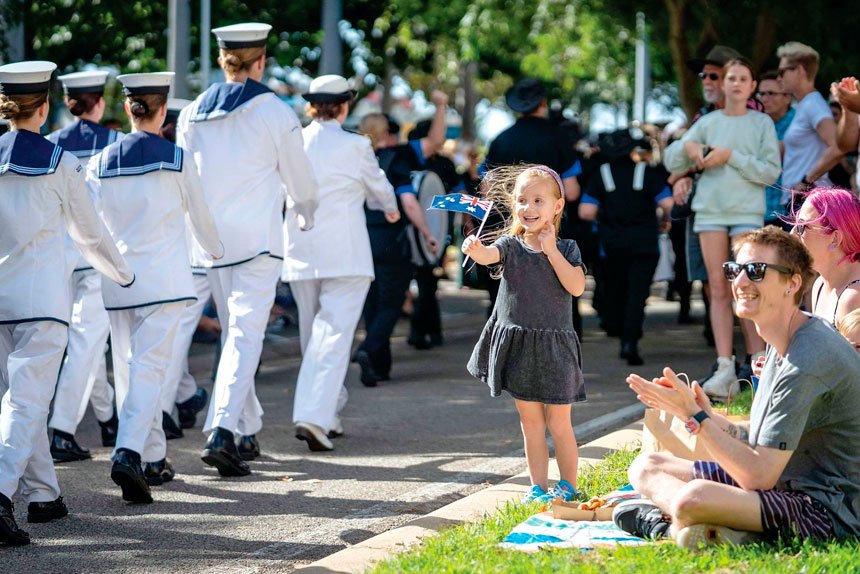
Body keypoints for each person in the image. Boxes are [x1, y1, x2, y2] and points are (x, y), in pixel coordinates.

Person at [615, 226, 860, 548]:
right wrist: (700, 414)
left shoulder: (808, 358)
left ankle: (670, 527)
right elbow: (757, 442)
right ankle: (721, 528)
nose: (741, 282)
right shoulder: (781, 342)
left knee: (694, 496)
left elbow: (757, 476)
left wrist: (698, 421)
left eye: (756, 271)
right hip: (782, 482)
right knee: (648, 465)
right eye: (734, 270)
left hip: (828, 509)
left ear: (793, 283)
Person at [0, 60, 134, 544]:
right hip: (41, 300)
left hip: (1, 298)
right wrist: (123, 273)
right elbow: (90, 234)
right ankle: (0, 494)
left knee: (20, 401)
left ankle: (44, 496)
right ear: (46, 104)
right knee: (25, 400)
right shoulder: (61, 162)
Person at [176, 23, 318, 476]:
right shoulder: (274, 110)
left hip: (211, 243)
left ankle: (246, 424)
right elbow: (300, 178)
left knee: (240, 334)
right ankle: (222, 430)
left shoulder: (193, 111)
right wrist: (305, 209)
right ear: (260, 61)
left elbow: (186, 180)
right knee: (243, 335)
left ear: (223, 59)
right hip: (257, 240)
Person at [88, 72, 222, 502]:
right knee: (149, 371)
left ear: (128, 108)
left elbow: (91, 230)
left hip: (118, 281)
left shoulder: (99, 161)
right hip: (165, 281)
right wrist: (214, 250)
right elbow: (201, 218)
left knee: (129, 371)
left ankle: (153, 457)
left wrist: (110, 268)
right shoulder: (178, 158)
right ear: (163, 111)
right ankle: (128, 452)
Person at [284, 75, 399, 451]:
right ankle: (314, 416)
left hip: (300, 250)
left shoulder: (293, 141)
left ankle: (328, 412)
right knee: (332, 335)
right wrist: (391, 209)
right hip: (346, 253)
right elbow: (378, 185)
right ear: (346, 106)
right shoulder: (355, 145)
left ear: (311, 107)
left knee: (311, 336)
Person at [463, 165, 586, 503]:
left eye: (537, 201)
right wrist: (476, 250)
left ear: (557, 207)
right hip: (519, 343)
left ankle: (569, 485)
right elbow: (490, 256)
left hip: (554, 346)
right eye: (521, 201)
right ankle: (537, 487)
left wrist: (552, 251)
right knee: (530, 421)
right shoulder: (511, 244)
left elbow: (576, 287)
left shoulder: (568, 248)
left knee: (559, 421)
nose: (528, 208)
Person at [664, 59, 781, 400]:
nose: (736, 83)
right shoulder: (708, 122)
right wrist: (688, 147)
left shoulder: (761, 123)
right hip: (710, 212)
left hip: (747, 212)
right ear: (725, 84)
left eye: (743, 78)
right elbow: (673, 161)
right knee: (717, 287)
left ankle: (759, 360)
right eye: (731, 78)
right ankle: (724, 365)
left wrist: (730, 156)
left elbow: (770, 173)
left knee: (749, 286)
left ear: (752, 85)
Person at [46, 70, 122, 462]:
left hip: (60, 258)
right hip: (97, 257)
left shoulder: (50, 145)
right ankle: (61, 430)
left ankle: (109, 419)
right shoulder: (118, 143)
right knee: (86, 342)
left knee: (88, 342)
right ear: (100, 102)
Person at [353, 93, 447, 387]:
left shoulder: (354, 155)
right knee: (392, 303)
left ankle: (378, 367)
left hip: (359, 238)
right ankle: (368, 351)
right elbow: (408, 201)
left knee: (372, 303)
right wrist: (428, 234)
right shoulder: (400, 155)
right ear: (388, 134)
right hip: (392, 239)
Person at [480, 78, 583, 331]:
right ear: (544, 103)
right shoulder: (558, 138)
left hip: (511, 227)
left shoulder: (500, 139)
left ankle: (500, 329)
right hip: (552, 228)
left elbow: (485, 189)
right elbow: (571, 189)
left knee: (505, 283)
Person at [578, 130, 674, 365]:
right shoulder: (647, 172)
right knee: (638, 294)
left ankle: (618, 328)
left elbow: (585, 211)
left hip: (612, 244)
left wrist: (608, 214)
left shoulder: (601, 175)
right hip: (645, 243)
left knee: (617, 290)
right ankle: (630, 342)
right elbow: (668, 203)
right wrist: (663, 218)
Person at [158, 97, 210, 439]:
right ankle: (162, 409)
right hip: (192, 259)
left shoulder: (155, 158)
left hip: (162, 260)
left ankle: (186, 396)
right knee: (175, 338)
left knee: (170, 335)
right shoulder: (186, 159)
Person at [777, 42, 843, 199]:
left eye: (782, 72)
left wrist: (806, 181)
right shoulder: (806, 104)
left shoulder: (813, 104)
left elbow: (838, 146)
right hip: (801, 199)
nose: (778, 78)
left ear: (799, 70)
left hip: (809, 199)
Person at [790, 187, 860, 327]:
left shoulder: (854, 298)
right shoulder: (820, 284)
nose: (792, 234)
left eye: (802, 227)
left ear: (834, 239)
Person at [757, 71, 796, 227]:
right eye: (761, 94)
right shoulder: (758, 124)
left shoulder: (799, 123)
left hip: (790, 210)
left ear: (787, 97)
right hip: (760, 210)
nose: (764, 99)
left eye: (771, 93)